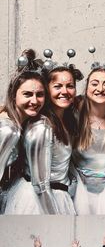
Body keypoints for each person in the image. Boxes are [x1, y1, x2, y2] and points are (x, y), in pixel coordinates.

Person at [5, 52, 83, 214]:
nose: (65, 91)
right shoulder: (41, 127)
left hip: (59, 193)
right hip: (41, 200)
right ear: (47, 90)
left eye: (70, 86)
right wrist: (54, 218)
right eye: (57, 86)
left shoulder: (69, 119)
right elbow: (40, 185)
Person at [72, 63, 105, 214]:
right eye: (94, 83)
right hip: (80, 187)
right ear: (86, 89)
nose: (100, 89)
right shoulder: (73, 115)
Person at [0, 49, 46, 213]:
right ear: (13, 95)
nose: (34, 101)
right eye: (27, 94)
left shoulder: (23, 124)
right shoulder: (8, 129)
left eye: (39, 95)